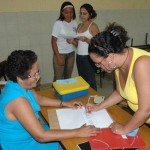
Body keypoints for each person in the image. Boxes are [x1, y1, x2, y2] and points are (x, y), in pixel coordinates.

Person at [0, 50, 100, 150]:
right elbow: (41, 136)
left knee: (63, 131)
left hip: (30, 133)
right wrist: (78, 132)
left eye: (37, 72)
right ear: (20, 78)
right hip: (22, 145)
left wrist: (65, 103)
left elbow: (39, 99)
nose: (38, 77)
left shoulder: (19, 84)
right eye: (34, 74)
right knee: (72, 144)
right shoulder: (18, 102)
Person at [87, 22, 150, 135]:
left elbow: (146, 110)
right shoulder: (118, 63)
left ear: (110, 56)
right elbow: (121, 92)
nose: (99, 68)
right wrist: (99, 107)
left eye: (98, 63)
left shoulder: (142, 64)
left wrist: (125, 129)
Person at [76, 3, 100, 90]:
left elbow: (98, 43)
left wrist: (86, 39)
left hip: (89, 57)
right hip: (79, 56)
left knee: (90, 81)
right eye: (81, 13)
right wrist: (73, 41)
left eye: (84, 13)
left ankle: (95, 101)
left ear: (90, 14)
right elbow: (78, 44)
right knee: (81, 80)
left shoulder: (93, 26)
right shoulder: (79, 25)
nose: (82, 15)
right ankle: (85, 99)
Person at [51, 1, 77, 81]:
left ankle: (66, 93)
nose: (69, 15)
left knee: (68, 77)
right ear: (62, 12)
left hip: (71, 53)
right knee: (58, 78)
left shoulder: (74, 23)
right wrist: (58, 57)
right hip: (60, 53)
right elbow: (53, 41)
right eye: (66, 13)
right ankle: (54, 93)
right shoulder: (58, 23)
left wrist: (74, 42)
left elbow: (76, 38)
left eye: (71, 12)